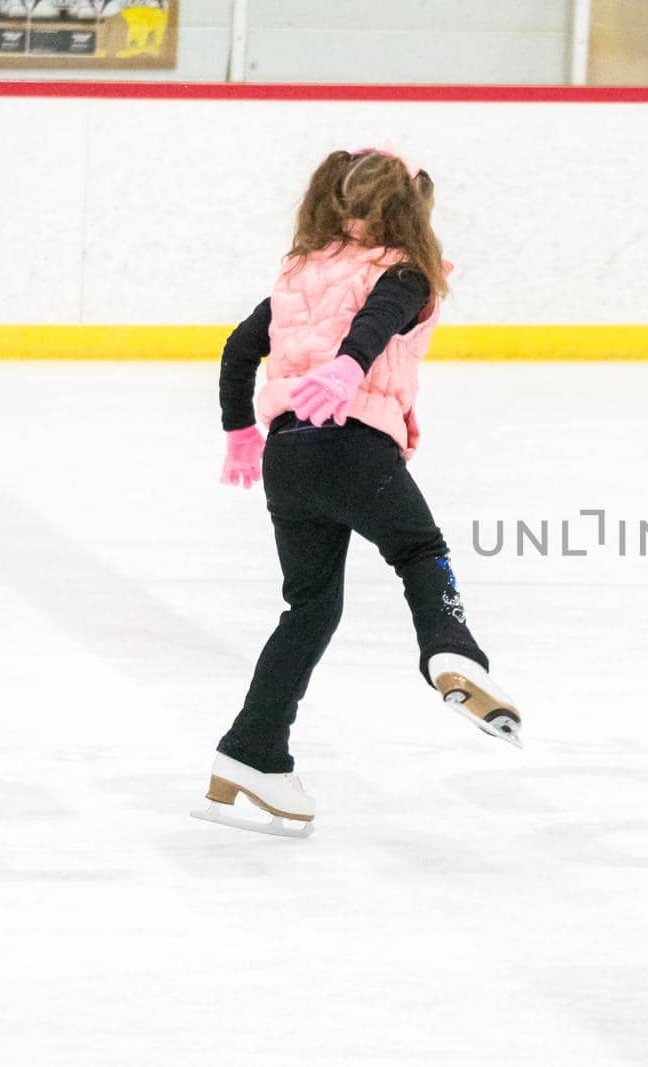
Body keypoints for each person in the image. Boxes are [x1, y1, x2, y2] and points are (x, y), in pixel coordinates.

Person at [193, 148, 521, 838]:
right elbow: (378, 320)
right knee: (419, 548)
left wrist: (241, 431)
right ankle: (451, 647)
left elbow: (237, 347)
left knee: (309, 608)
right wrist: (346, 371)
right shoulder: (406, 269)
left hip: (289, 458)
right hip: (350, 443)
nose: (358, 218)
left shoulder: (298, 272)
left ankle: (254, 751)